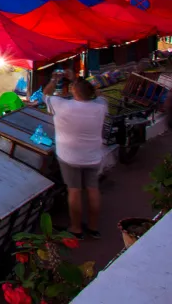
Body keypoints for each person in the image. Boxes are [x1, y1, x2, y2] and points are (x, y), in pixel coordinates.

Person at [44, 74, 107, 238]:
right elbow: (99, 94)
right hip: (93, 156)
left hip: (69, 157)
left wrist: (54, 79)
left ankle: (76, 228)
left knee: (74, 190)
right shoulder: (100, 106)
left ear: (73, 91)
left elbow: (46, 94)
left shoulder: (61, 105)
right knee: (93, 189)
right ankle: (93, 228)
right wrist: (85, 83)